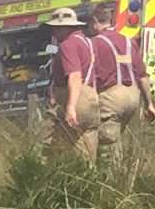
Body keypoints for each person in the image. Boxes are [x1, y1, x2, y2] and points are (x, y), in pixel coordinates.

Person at [58, 11, 148, 160]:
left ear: (95, 23)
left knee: (106, 140)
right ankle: (123, 169)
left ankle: (108, 177)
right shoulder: (128, 41)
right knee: (118, 137)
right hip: (133, 96)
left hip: (111, 95)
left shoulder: (95, 43)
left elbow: (88, 72)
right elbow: (143, 76)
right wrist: (149, 103)